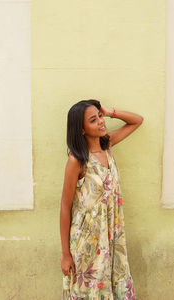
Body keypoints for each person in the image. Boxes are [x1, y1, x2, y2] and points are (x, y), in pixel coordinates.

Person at [60, 99, 143, 299]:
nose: (100, 122)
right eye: (93, 119)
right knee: (91, 291)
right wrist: (65, 254)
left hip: (113, 236)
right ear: (81, 129)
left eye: (99, 116)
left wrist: (109, 112)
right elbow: (65, 206)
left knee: (114, 285)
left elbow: (137, 121)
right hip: (88, 241)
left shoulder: (107, 145)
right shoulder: (77, 161)